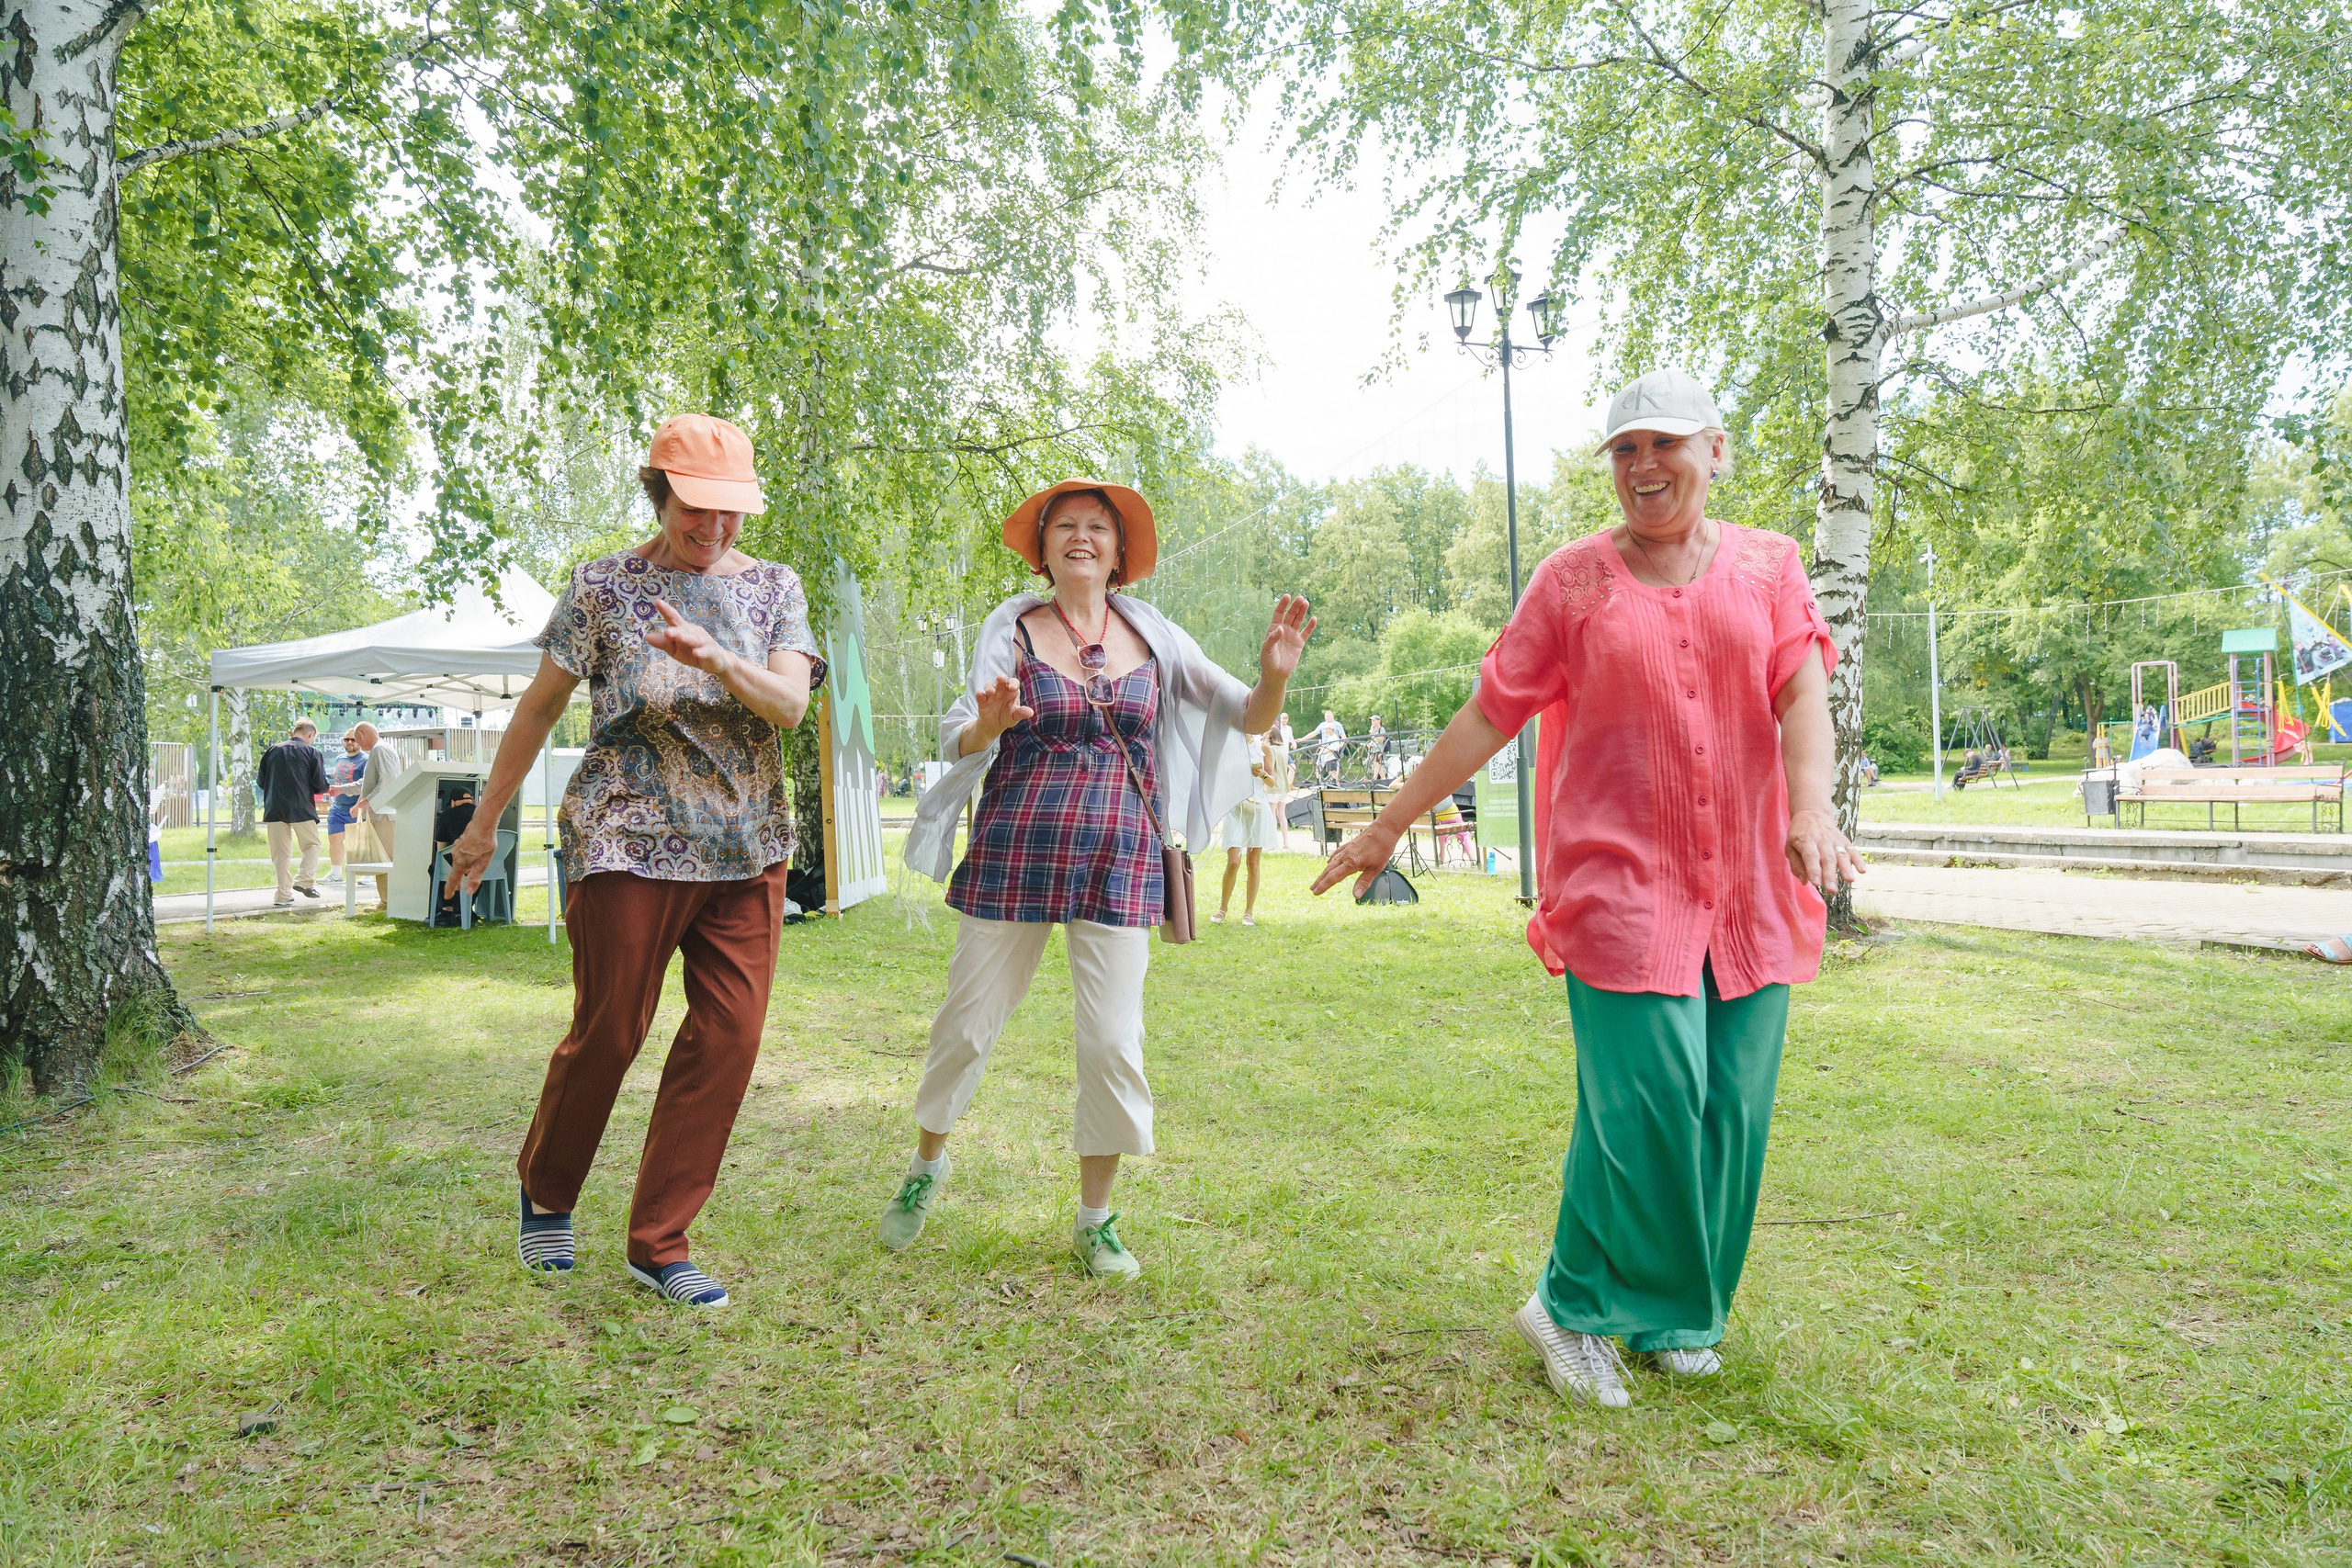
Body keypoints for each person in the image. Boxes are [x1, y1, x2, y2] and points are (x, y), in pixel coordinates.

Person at [1313, 368, 1860, 1409]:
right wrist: (1388, 824)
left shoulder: (1770, 564)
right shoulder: (1572, 581)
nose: (1643, 467)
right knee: (1647, 1104)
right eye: (1623, 451)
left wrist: (1812, 810)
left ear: (1714, 449)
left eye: (1663, 445)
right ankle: (1567, 1308)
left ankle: (1670, 1315)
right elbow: (1489, 713)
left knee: (1727, 1110)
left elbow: (1800, 691)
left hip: (1746, 884)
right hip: (1621, 881)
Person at [440, 413, 824, 1308]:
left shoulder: (773, 588)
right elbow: (537, 710)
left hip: (746, 844)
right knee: (611, 1029)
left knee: (728, 1038)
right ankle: (547, 1186)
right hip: (626, 833)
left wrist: (717, 658)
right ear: (659, 493)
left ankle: (660, 1242)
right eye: (698, 511)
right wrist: (481, 823)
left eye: (732, 513)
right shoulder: (604, 586)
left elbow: (787, 705)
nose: (716, 529)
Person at [890, 479, 1314, 1280]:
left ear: (1120, 553)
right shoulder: (1011, 628)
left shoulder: (1155, 637)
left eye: (1097, 528)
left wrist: (1276, 675)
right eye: (1065, 527)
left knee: (1114, 1040)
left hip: (1120, 860)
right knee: (965, 1023)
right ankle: (925, 1166)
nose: (1081, 537)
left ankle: (1095, 1218)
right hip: (1017, 851)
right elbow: (958, 733)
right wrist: (987, 722)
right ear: (1043, 548)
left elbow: (1249, 715)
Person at [257, 719, 331, 908]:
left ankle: (282, 896)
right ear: (310, 734)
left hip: (274, 807)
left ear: (294, 731)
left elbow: (261, 782)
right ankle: (304, 881)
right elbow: (320, 786)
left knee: (280, 853)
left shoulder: (272, 750)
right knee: (312, 845)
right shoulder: (312, 752)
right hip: (301, 808)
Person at [1215, 732, 1278, 925]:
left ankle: (1248, 911)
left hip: (1258, 807)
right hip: (1237, 808)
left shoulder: (1263, 747)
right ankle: (1222, 909)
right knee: (1233, 861)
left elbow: (1273, 782)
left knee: (1253, 862)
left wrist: (1262, 774)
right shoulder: (1230, 745)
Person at [350, 720, 404, 909]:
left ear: (362, 735)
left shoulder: (379, 750)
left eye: (357, 740)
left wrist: (368, 801)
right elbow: (371, 782)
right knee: (385, 858)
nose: (359, 745)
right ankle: (388, 899)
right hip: (384, 814)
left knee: (385, 858)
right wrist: (361, 801)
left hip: (384, 816)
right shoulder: (383, 749)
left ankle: (388, 900)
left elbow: (387, 781)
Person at [322, 732, 366, 885]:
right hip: (337, 807)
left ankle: (365, 874)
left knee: (358, 843)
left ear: (359, 741)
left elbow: (366, 785)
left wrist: (358, 805)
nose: (349, 742)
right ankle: (335, 873)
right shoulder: (339, 758)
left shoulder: (365, 760)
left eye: (353, 740)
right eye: (346, 739)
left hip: (355, 807)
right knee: (334, 839)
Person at [433, 786, 480, 924]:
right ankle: (466, 908)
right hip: (485, 863)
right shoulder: (483, 813)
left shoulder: (447, 814)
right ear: (472, 800)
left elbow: (441, 848)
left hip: (461, 862)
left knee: (436, 867)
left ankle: (447, 910)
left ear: (453, 802)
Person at [1268, 712, 1296, 848]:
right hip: (1284, 786)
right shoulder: (1283, 750)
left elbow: (1270, 768)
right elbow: (1292, 768)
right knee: (1282, 814)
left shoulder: (1270, 750)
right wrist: (1290, 781)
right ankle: (1286, 842)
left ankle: (1273, 842)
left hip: (1274, 786)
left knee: (1272, 813)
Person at [1312, 709, 1346, 785]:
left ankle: (1337, 788)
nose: (1326, 730)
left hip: (1332, 755)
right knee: (1320, 768)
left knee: (1333, 772)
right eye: (1326, 716)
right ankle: (1319, 784)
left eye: (1329, 716)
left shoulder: (1335, 730)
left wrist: (1339, 748)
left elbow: (1341, 739)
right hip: (1326, 754)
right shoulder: (1325, 730)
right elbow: (1314, 733)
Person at [1365, 714, 1389, 783]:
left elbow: (1381, 740)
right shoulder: (1373, 729)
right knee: (1376, 763)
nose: (1372, 722)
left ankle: (1374, 779)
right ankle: (1383, 778)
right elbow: (1373, 739)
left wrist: (1374, 734)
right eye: (1372, 721)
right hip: (1374, 749)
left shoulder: (1382, 729)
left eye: (1374, 720)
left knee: (1376, 763)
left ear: (1378, 721)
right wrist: (1369, 744)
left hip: (1379, 749)